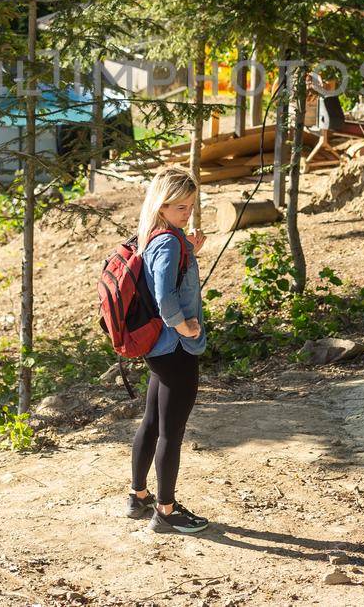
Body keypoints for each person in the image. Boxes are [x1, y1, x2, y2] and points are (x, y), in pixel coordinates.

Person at [126, 165, 211, 534]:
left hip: (159, 347)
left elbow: (166, 272)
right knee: (171, 432)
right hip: (176, 346)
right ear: (162, 206)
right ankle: (166, 511)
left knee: (152, 421)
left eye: (191, 205)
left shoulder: (159, 237)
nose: (187, 212)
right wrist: (183, 324)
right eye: (180, 207)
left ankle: (139, 496)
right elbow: (164, 295)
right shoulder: (167, 242)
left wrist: (189, 248)